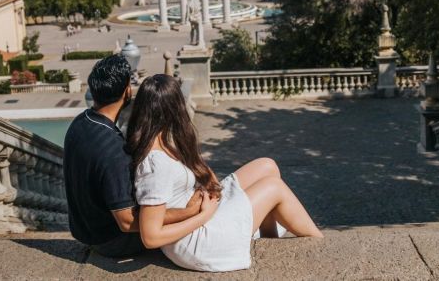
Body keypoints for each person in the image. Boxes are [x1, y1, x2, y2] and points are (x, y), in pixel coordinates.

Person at [126, 74, 323, 272]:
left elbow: (201, 173)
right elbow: (150, 237)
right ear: (175, 108)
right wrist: (203, 216)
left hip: (199, 214)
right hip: (196, 240)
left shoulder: (165, 141)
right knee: (274, 187)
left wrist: (206, 188)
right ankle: (319, 245)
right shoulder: (155, 164)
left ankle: (267, 239)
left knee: (267, 166)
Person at [62, 55, 205, 257]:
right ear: (128, 91)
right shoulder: (114, 151)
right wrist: (189, 212)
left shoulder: (80, 122)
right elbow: (127, 222)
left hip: (85, 231)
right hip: (112, 242)